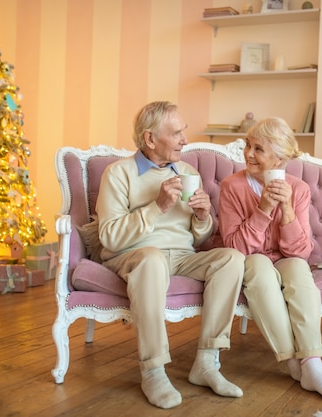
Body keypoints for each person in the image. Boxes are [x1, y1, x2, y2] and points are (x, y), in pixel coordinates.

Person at [96, 101, 245, 409]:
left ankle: (207, 361)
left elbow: (197, 235)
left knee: (231, 259)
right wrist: (157, 207)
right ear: (150, 139)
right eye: (176, 133)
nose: (184, 140)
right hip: (133, 254)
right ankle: (152, 370)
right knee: (151, 258)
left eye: (184, 132)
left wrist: (203, 216)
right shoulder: (118, 173)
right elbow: (108, 236)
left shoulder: (188, 172)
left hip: (180, 255)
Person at [218, 117, 322, 403]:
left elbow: (300, 250)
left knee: (300, 271)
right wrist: (264, 209)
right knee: (259, 271)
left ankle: (312, 363)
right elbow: (236, 247)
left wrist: (286, 209)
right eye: (247, 146)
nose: (248, 154)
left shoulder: (298, 189)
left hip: (286, 257)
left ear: (279, 158)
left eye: (258, 149)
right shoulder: (232, 186)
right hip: (249, 258)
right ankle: (296, 364)